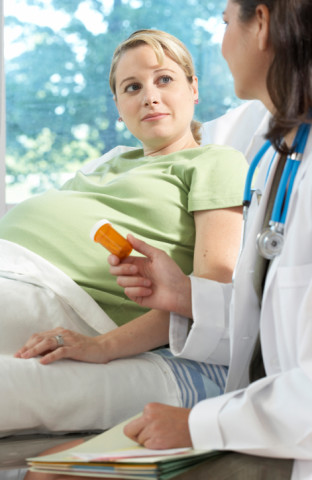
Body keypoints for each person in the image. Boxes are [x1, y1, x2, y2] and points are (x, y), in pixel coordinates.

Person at [0, 29, 248, 441]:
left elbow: (208, 290)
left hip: (62, 291)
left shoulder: (213, 162)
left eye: (164, 79)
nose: (149, 96)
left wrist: (105, 346)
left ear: (193, 88)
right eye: (133, 87)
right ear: (118, 105)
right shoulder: (107, 165)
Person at [107, 1, 312, 479]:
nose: (221, 47)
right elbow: (268, 333)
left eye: (224, 24)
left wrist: (198, 424)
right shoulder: (276, 152)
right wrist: (184, 295)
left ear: (260, 24)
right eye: (131, 87)